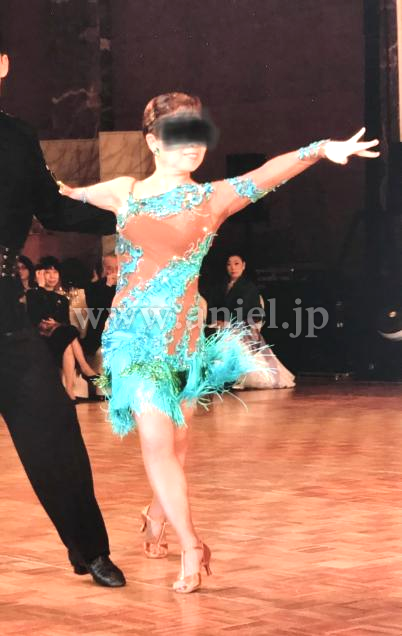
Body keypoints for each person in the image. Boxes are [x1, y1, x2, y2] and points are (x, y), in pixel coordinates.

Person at [62, 92, 379, 593]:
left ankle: (155, 516)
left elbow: (269, 173)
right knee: (158, 444)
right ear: (153, 142)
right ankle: (192, 545)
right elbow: (63, 192)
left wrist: (320, 149)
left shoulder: (215, 197)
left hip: (185, 339)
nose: (192, 145)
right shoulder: (124, 191)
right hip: (131, 339)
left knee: (178, 445)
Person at [0, 37, 125, 586]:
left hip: (6, 319)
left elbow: (53, 209)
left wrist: (130, 213)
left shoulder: (17, 137)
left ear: (3, 64)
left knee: (55, 432)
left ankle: (89, 550)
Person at [210, 253, 295, 389]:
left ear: (243, 266)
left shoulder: (248, 287)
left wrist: (227, 321)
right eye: (229, 264)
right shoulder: (223, 286)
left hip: (244, 324)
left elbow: (246, 310)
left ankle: (238, 378)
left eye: (236, 264)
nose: (233, 267)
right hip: (228, 323)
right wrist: (218, 320)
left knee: (234, 338)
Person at [26, 257, 99, 400]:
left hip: (59, 337)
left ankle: (70, 391)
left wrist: (56, 324)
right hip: (41, 337)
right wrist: (41, 287)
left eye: (55, 272)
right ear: (39, 275)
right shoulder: (33, 294)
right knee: (68, 334)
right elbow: (37, 317)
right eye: (47, 272)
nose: (52, 276)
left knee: (67, 342)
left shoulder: (62, 299)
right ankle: (84, 368)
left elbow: (65, 322)